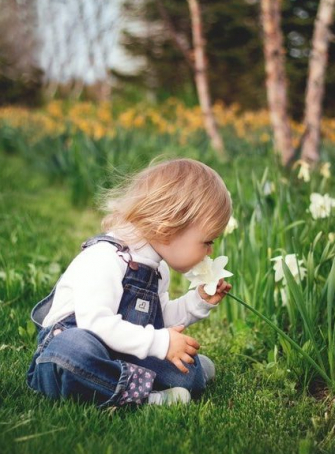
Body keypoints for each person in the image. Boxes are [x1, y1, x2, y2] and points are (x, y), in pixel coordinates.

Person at [27, 158, 232, 408]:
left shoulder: (157, 268)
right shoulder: (105, 257)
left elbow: (158, 319)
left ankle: (172, 375)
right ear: (169, 227)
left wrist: (197, 301)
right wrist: (160, 343)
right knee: (73, 351)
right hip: (74, 351)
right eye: (207, 241)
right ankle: (145, 398)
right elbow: (95, 324)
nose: (210, 251)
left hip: (120, 350)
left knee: (188, 373)